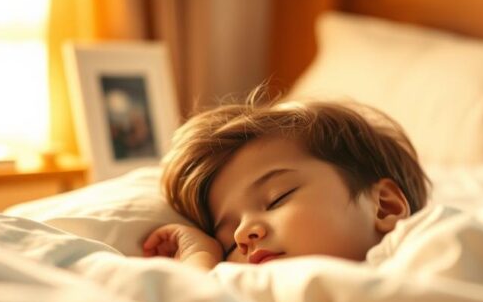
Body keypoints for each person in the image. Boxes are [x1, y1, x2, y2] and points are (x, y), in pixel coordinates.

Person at [143, 97, 430, 270]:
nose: (242, 234)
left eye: (277, 198)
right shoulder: (252, 295)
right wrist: (200, 255)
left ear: (384, 207)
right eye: (228, 243)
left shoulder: (433, 256)